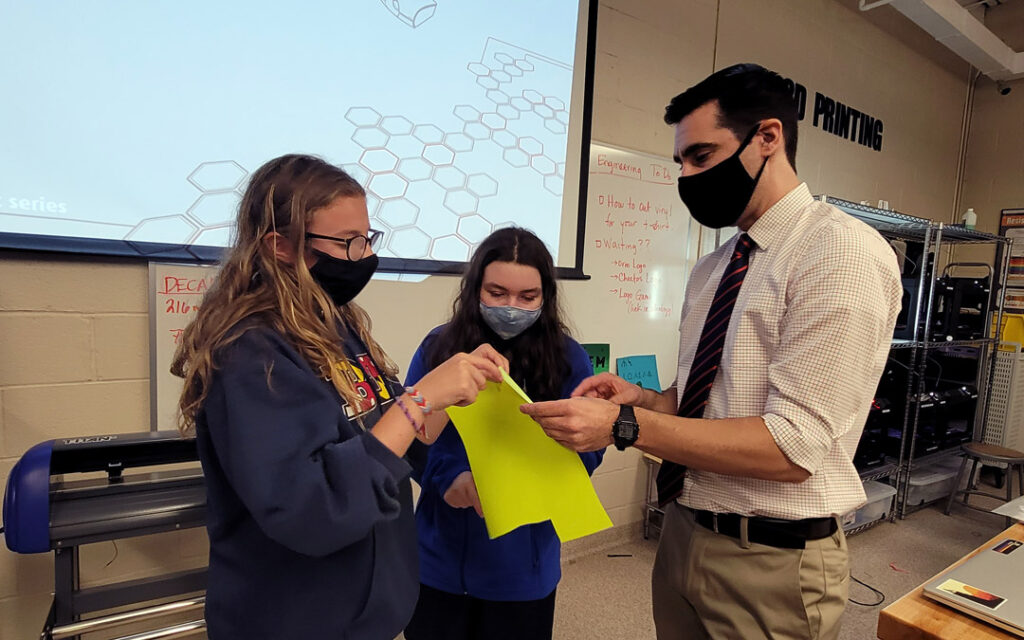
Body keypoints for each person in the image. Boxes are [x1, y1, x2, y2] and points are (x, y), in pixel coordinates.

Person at [521, 63, 902, 640]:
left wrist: (624, 426)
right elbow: (707, 403)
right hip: (685, 531)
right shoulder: (711, 269)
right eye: (680, 162)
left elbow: (793, 447)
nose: (688, 176)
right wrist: (643, 400)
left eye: (701, 156)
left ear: (767, 137)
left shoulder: (839, 253)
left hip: (771, 559)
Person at [171, 154, 507, 640]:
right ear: (280, 245)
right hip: (294, 619)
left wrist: (454, 388)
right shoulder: (250, 353)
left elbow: (398, 440)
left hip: (363, 615)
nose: (364, 256)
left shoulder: (334, 326)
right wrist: (420, 399)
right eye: (347, 242)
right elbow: (313, 508)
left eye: (367, 238)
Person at [403, 227, 604, 640]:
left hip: (521, 568)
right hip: (439, 557)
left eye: (527, 297)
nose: (512, 307)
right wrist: (449, 478)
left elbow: (589, 444)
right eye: (497, 293)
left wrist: (529, 482)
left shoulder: (568, 358)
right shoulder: (439, 347)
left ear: (546, 297)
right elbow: (409, 433)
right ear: (475, 289)